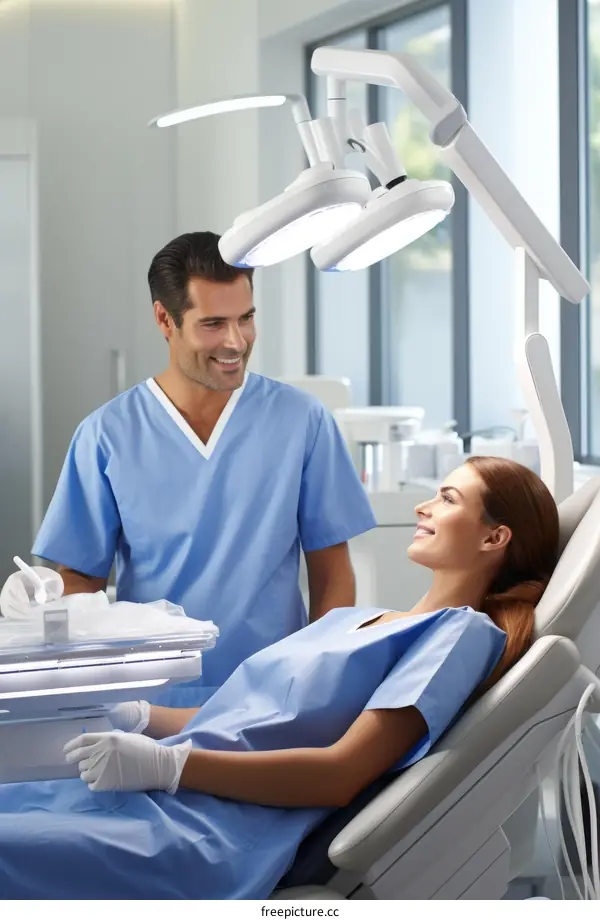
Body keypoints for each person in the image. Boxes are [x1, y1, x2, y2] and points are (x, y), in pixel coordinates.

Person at [0, 457, 559, 899]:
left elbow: (339, 774)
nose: (423, 505)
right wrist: (137, 717)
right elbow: (239, 721)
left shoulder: (459, 635)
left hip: (207, 832)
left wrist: (170, 766)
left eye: (448, 498)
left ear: (494, 538)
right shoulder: (355, 621)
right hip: (156, 797)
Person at [28, 231, 376, 706]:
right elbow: (80, 579)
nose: (236, 342)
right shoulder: (106, 434)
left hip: (271, 698)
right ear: (164, 319)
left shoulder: (303, 421)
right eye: (213, 324)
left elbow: (332, 574)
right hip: (147, 702)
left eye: (246, 318)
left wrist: (317, 680)